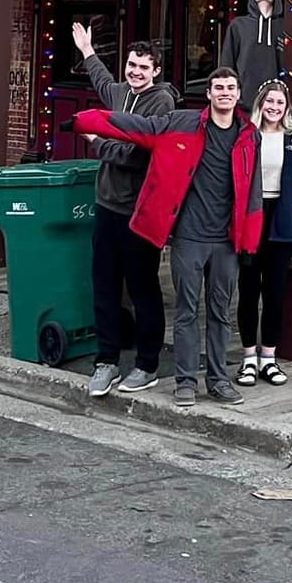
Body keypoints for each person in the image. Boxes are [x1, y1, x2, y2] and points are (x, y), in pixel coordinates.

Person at [73, 68, 262, 409]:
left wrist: (249, 239)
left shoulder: (250, 136)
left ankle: (218, 380)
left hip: (226, 241)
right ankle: (185, 381)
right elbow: (137, 127)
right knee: (187, 312)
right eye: (218, 87)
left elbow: (254, 192)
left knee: (221, 312)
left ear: (238, 94)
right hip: (190, 237)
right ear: (208, 93)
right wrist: (86, 121)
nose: (224, 93)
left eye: (230, 88)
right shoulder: (182, 122)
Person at [71, 25, 178, 399]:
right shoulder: (120, 92)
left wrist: (97, 142)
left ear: (156, 71)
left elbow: (136, 156)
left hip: (139, 211)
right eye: (132, 65)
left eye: (143, 68)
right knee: (104, 284)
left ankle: (147, 364)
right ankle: (107, 360)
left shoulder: (160, 104)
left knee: (143, 288)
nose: (135, 72)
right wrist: (86, 50)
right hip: (106, 206)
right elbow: (103, 80)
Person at [237, 66, 292, 386]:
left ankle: (269, 357)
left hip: (281, 219)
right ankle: (248, 357)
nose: (274, 107)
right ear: (260, 104)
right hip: (252, 218)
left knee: (274, 294)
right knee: (248, 292)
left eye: (280, 102)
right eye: (269, 101)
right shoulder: (247, 135)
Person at [218, 0, 286, 105]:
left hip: (276, 100)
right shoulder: (238, 25)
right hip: (244, 99)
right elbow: (227, 61)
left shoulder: (285, 26)